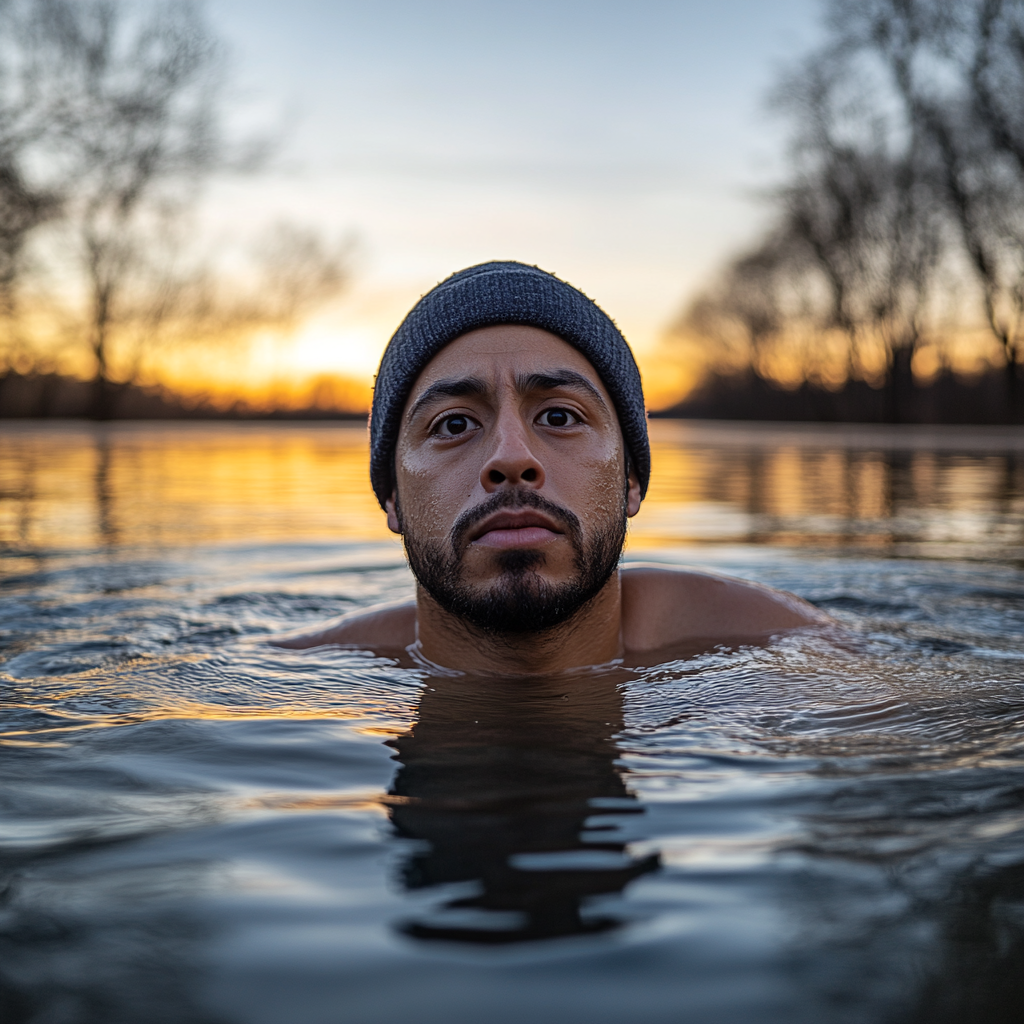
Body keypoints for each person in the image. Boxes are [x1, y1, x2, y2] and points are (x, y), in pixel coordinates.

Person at [276, 261, 827, 671]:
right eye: (453, 424)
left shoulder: (791, 650)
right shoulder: (289, 681)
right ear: (391, 494)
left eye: (560, 416)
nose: (512, 457)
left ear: (631, 478)